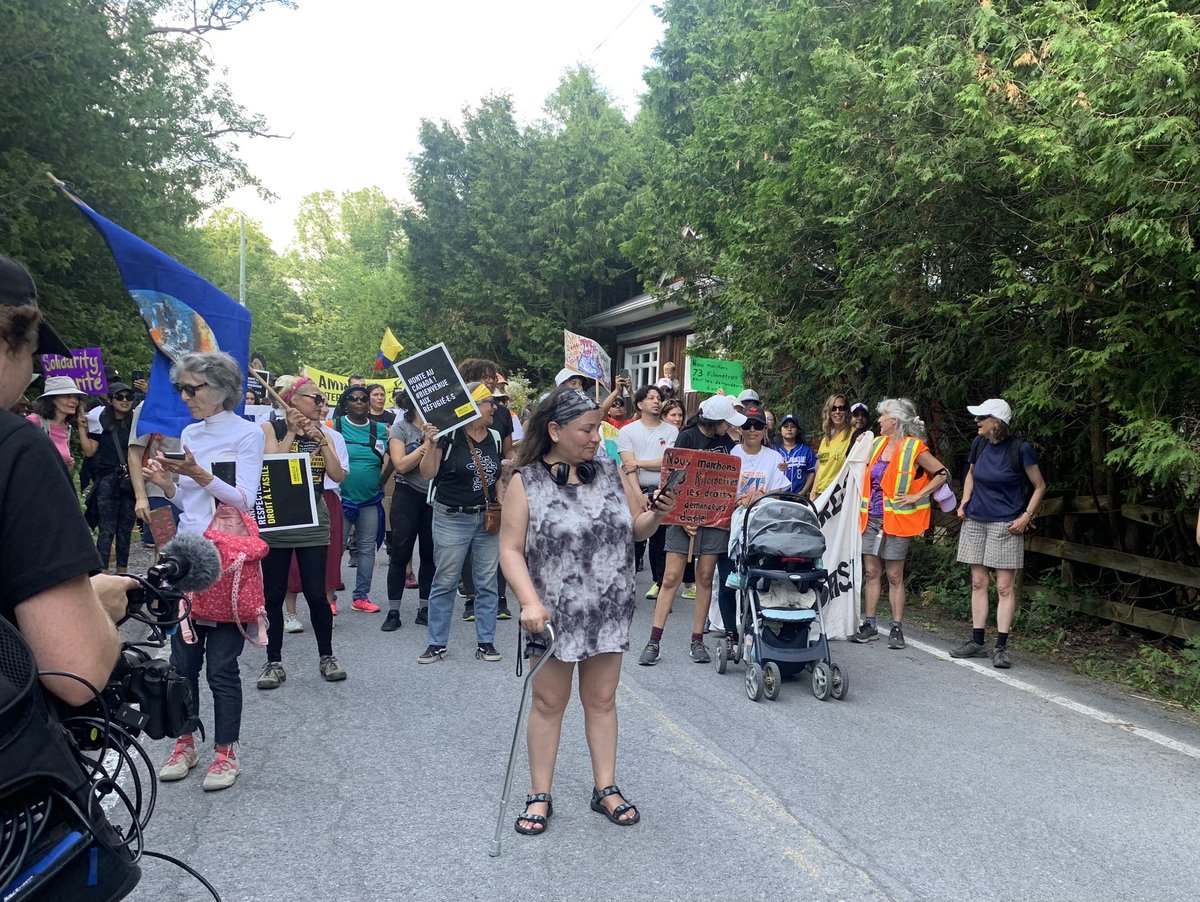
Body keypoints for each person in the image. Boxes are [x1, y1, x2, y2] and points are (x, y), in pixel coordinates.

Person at [500, 387, 676, 835]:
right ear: (555, 431)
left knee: (601, 701)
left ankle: (605, 788)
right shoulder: (526, 481)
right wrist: (529, 601)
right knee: (548, 703)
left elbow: (637, 530)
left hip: (608, 608)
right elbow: (510, 549)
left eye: (598, 429)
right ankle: (539, 794)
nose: (597, 437)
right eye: (587, 429)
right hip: (551, 615)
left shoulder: (611, 472)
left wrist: (658, 514)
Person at [0, 254, 131, 708]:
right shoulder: (18, 445)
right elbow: (76, 671)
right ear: (14, 339)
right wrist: (97, 606)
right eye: (33, 354)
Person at [141, 351, 266, 791]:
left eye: (192, 388)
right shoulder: (190, 432)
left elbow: (245, 500)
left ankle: (226, 751)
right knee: (183, 663)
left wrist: (196, 471)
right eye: (181, 388)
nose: (185, 397)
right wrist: (168, 485)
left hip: (228, 561)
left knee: (221, 668)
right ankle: (185, 742)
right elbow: (191, 504)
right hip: (187, 556)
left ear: (221, 389)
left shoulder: (248, 434)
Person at [256, 377, 350, 689]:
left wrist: (321, 440)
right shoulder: (270, 428)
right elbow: (271, 465)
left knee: (316, 591)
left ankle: (327, 656)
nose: (322, 404)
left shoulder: (325, 432)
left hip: (313, 517)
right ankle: (273, 662)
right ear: (293, 399)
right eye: (315, 398)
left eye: (323, 400)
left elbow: (337, 475)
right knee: (273, 592)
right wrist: (293, 432)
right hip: (279, 517)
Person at [638, 394, 746, 666]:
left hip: (714, 519)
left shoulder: (727, 442)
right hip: (682, 517)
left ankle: (697, 640)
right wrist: (683, 516)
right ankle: (654, 641)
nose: (730, 427)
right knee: (671, 578)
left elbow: (727, 483)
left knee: (706, 577)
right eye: (726, 422)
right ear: (715, 421)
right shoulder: (686, 437)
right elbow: (674, 477)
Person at [951, 398, 1046, 668]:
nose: (976, 421)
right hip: (975, 519)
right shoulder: (979, 444)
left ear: (996, 422)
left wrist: (1026, 516)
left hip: (1005, 524)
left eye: (982, 417)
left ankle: (1001, 647)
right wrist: (964, 501)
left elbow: (1039, 486)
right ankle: (977, 641)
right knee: (978, 582)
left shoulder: (1020, 449)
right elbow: (971, 474)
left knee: (1004, 586)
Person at [850, 398, 950, 650]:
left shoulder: (914, 447)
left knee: (895, 575)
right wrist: (859, 443)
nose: (879, 420)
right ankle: (870, 624)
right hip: (871, 518)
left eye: (883, 416)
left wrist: (918, 495)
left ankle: (896, 627)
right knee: (871, 572)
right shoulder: (876, 443)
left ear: (894, 420)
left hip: (897, 521)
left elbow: (942, 473)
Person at [417, 381, 505, 664]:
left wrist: (503, 507)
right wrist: (430, 443)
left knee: (487, 582)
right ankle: (436, 643)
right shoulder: (447, 435)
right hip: (451, 518)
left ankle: (486, 642)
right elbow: (427, 474)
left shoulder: (495, 436)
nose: (494, 407)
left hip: (487, 518)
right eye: (488, 402)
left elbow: (497, 479)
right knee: (445, 581)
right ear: (472, 407)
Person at [715, 401, 792, 647]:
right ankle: (730, 632)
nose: (752, 430)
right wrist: (739, 500)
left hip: (761, 529)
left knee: (758, 582)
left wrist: (758, 497)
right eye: (747, 425)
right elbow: (719, 490)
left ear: (765, 430)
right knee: (728, 581)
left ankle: (754, 630)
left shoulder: (774, 458)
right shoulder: (731, 455)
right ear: (739, 428)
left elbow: (779, 493)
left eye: (757, 426)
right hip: (730, 526)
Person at [617, 384, 679, 602]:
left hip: (662, 490)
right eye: (651, 398)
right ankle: (626, 586)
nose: (656, 401)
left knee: (660, 543)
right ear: (639, 404)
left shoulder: (672, 431)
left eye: (659, 398)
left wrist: (639, 463)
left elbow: (667, 461)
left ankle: (660, 585)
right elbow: (628, 467)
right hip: (636, 490)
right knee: (633, 540)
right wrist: (638, 496)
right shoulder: (627, 431)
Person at [333, 383, 388, 613]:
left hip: (370, 500)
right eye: (353, 398)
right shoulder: (334, 426)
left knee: (367, 549)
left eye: (363, 399)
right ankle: (329, 598)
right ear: (345, 404)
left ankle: (361, 597)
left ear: (369, 404)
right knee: (335, 549)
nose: (359, 402)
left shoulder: (380, 429)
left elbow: (393, 458)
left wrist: (382, 480)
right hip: (341, 500)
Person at [384, 393, 434, 630]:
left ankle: (425, 607)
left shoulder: (440, 427)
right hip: (407, 494)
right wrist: (426, 444)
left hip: (433, 496)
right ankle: (393, 611)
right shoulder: (401, 428)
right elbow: (401, 464)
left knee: (430, 554)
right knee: (400, 553)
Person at [89, 381, 137, 573]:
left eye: (129, 397)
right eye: (119, 396)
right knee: (106, 528)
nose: (125, 400)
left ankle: (122, 572)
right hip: (108, 479)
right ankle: (102, 572)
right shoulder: (99, 421)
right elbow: (90, 451)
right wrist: (83, 429)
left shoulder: (136, 423)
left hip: (130, 480)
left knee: (125, 529)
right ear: (110, 400)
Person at [128, 394, 182, 551]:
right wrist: (141, 498)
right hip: (159, 492)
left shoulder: (200, 402)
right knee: (165, 552)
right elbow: (134, 453)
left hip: (197, 492)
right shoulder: (148, 406)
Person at [27, 375, 96, 474]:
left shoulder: (66, 427)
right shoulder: (33, 422)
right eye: (67, 396)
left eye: (76, 397)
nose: (74, 401)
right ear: (52, 399)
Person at [813, 393, 853, 497]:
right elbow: (820, 467)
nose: (837, 412)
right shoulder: (826, 438)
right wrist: (813, 492)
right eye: (833, 408)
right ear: (829, 412)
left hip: (838, 494)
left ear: (847, 411)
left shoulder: (854, 435)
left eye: (841, 408)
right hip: (820, 493)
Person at [776, 413, 817, 496]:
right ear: (780, 430)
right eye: (786, 426)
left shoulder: (806, 450)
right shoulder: (774, 450)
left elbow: (811, 472)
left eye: (793, 426)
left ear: (797, 430)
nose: (789, 429)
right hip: (777, 496)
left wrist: (803, 492)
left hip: (799, 497)